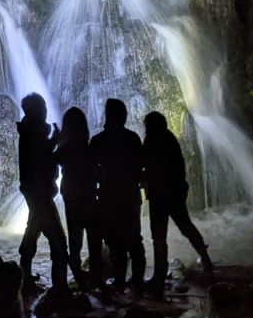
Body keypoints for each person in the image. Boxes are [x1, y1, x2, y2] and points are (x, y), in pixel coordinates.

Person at [142, 111, 214, 285]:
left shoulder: (151, 141)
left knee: (159, 235)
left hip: (159, 194)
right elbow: (179, 166)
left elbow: (147, 166)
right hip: (174, 193)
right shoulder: (169, 138)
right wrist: (181, 186)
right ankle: (205, 258)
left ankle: (159, 274)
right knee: (186, 226)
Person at [89, 98, 146, 293]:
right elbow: (141, 166)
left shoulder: (98, 141)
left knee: (115, 240)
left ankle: (121, 279)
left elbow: (89, 169)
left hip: (108, 196)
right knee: (132, 239)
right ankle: (137, 280)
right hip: (129, 195)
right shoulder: (132, 138)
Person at [16, 93, 70, 294]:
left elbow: (41, 156)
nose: (46, 111)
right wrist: (56, 142)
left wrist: (52, 140)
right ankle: (60, 287)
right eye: (43, 108)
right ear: (36, 111)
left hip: (33, 192)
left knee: (32, 232)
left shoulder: (30, 132)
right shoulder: (34, 134)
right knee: (58, 240)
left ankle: (25, 279)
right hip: (40, 193)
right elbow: (43, 160)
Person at [55, 106, 102, 288]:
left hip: (71, 197)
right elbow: (97, 171)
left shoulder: (64, 149)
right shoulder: (89, 148)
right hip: (89, 195)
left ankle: (77, 275)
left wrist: (56, 139)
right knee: (94, 238)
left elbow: (51, 161)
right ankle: (96, 276)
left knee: (75, 240)